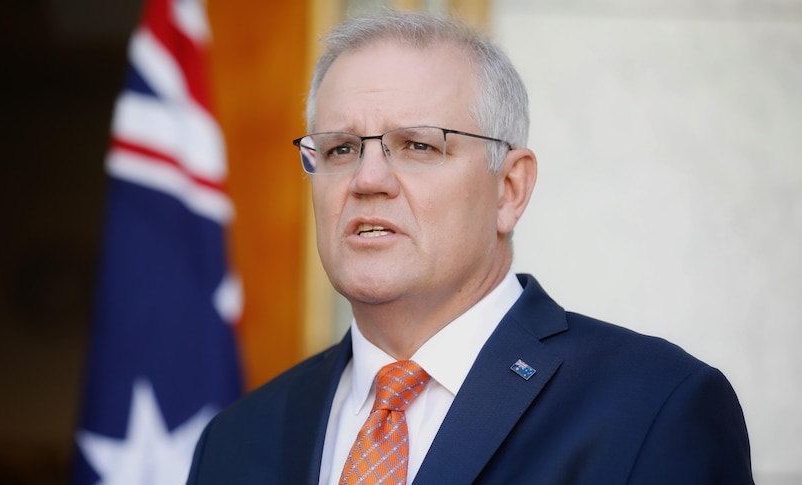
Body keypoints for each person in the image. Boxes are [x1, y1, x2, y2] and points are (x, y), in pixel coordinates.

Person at [186, 9, 753, 485]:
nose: (368, 179)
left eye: (417, 146)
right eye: (339, 150)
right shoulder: (235, 441)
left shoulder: (654, 407)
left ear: (510, 189)